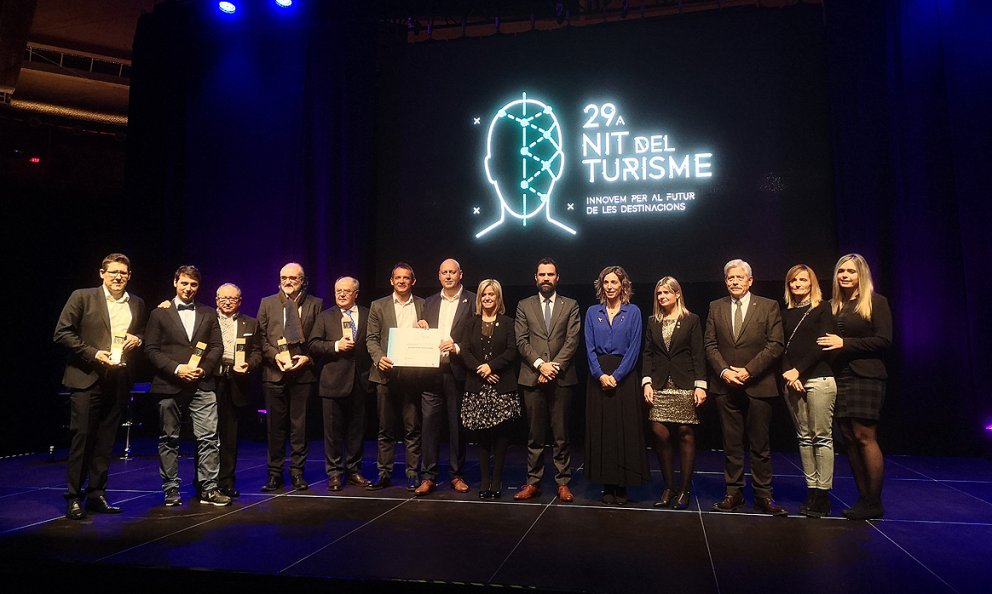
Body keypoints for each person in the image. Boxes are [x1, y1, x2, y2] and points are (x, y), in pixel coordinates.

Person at [53, 253, 147, 519]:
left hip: (117, 380)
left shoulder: (137, 303)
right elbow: (62, 332)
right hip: (86, 378)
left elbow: (140, 332)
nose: (118, 277)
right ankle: (73, 497)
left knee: (106, 442)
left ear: (129, 276)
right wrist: (93, 353)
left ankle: (96, 494)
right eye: (113, 272)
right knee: (82, 439)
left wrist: (137, 340)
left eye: (123, 273)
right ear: (102, 273)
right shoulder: (82, 297)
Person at [704, 259, 786, 515]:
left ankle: (763, 495)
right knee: (731, 444)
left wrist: (749, 370)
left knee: (760, 445)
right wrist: (725, 371)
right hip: (725, 385)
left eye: (740, 278)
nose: (735, 282)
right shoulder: (715, 307)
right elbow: (710, 344)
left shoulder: (768, 306)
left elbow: (775, 344)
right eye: (730, 278)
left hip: (759, 385)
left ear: (750, 281)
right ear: (725, 281)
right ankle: (733, 493)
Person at [144, 265, 229, 507]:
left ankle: (209, 488)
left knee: (209, 438)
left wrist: (204, 368)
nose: (188, 288)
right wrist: (177, 369)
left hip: (202, 383)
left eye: (193, 284)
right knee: (169, 438)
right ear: (175, 282)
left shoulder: (208, 312)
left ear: (198, 287)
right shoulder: (159, 313)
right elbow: (150, 350)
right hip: (169, 384)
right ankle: (171, 489)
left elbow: (216, 347)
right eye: (184, 283)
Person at [817, 253, 892, 521]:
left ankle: (874, 500)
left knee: (864, 436)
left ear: (861, 274)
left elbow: (884, 339)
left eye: (851, 271)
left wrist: (845, 343)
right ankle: (863, 498)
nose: (845, 276)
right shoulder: (833, 305)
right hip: (840, 376)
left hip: (866, 376)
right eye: (841, 272)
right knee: (848, 437)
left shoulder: (875, 301)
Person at [513, 258, 581, 503]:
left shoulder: (570, 305)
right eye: (542, 274)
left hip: (561, 378)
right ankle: (534, 482)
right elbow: (521, 340)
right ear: (535, 278)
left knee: (561, 434)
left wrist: (554, 367)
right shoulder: (524, 305)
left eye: (550, 274)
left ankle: (563, 482)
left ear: (557, 278)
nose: (545, 278)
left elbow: (572, 340)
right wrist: (541, 365)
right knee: (535, 435)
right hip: (533, 376)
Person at [641, 276, 707, 510]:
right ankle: (669, 487)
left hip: (685, 383)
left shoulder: (691, 320)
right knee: (659, 432)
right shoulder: (652, 321)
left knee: (685, 432)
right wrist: (646, 383)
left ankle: (684, 489)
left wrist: (700, 385)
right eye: (659, 293)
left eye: (667, 292)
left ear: (677, 294)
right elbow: (647, 353)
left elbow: (698, 353)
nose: (662, 297)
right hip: (659, 384)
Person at [257, 262, 323, 492]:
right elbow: (261, 338)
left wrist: (307, 358)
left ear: (303, 280)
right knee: (275, 427)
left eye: (293, 278)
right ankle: (274, 474)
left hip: (302, 373)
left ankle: (297, 472)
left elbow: (317, 340)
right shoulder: (267, 303)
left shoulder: (316, 304)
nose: (288, 281)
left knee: (300, 427)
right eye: (284, 277)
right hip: (274, 373)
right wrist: (275, 356)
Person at [584, 265, 648, 505]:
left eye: (614, 282)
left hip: (624, 377)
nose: (610, 287)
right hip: (598, 378)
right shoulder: (592, 312)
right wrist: (600, 374)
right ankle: (606, 484)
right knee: (603, 432)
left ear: (623, 285)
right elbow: (588, 347)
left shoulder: (633, 312)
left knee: (624, 431)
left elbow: (634, 348)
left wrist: (617, 376)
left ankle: (622, 486)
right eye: (606, 283)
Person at [415, 259, 476, 496]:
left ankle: (456, 474)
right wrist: (421, 329)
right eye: (444, 272)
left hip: (457, 371)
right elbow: (424, 334)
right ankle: (428, 476)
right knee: (429, 425)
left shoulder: (471, 301)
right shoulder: (429, 302)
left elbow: (475, 337)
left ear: (461, 274)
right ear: (439, 276)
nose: (448, 276)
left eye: (452, 272)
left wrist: (458, 347)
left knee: (456, 427)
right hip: (431, 372)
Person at [455, 280, 520, 499]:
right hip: (477, 386)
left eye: (492, 294)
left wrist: (492, 366)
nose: (488, 298)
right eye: (484, 295)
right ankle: (484, 480)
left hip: (501, 387)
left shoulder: (508, 322)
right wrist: (481, 369)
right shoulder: (470, 323)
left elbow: (512, 351)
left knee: (501, 437)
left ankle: (497, 480)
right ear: (479, 298)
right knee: (482, 437)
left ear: (498, 297)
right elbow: (464, 351)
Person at [781, 265, 836, 517]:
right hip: (793, 381)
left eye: (803, 280)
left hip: (819, 378)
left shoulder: (822, 308)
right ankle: (811, 489)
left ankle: (823, 494)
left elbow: (823, 344)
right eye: (794, 281)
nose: (798, 284)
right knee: (804, 437)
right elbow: (781, 348)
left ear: (812, 283)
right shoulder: (786, 312)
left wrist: (798, 371)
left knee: (821, 436)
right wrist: (789, 372)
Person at [308, 276, 373, 492]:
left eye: (346, 291)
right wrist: (336, 345)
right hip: (333, 381)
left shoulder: (367, 313)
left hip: (360, 381)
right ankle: (334, 473)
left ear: (356, 293)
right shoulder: (325, 316)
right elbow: (313, 344)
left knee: (357, 430)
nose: (342, 294)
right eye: (338, 291)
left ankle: (353, 471)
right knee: (333, 432)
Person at [366, 263, 426, 491]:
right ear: (391, 281)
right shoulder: (378, 306)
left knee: (412, 427)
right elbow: (371, 338)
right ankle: (384, 473)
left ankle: (413, 473)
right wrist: (379, 357)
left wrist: (426, 329)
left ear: (413, 281)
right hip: (385, 375)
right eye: (398, 278)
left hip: (412, 376)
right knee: (385, 428)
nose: (402, 281)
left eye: (406, 278)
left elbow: (430, 336)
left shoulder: (423, 305)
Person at [213, 283, 263, 498]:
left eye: (232, 298)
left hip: (236, 382)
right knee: (206, 435)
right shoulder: (207, 318)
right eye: (223, 298)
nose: (227, 302)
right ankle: (205, 482)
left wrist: (249, 365)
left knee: (230, 437)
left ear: (240, 301)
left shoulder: (250, 322)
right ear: (216, 300)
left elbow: (257, 352)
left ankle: (226, 481)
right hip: (210, 380)